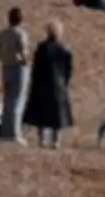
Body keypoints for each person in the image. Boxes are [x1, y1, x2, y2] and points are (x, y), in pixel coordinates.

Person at [23, 19, 73, 148]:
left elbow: (36, 67)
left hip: (42, 83)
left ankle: (42, 139)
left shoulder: (42, 48)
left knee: (42, 114)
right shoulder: (64, 49)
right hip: (59, 85)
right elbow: (68, 70)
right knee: (57, 115)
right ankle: (56, 141)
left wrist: (33, 81)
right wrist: (66, 83)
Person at [0, 7, 30, 144]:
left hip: (5, 67)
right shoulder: (20, 34)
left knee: (8, 100)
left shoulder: (2, 33)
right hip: (17, 68)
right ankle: (14, 133)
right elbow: (24, 52)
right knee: (17, 100)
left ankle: (5, 131)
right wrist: (25, 62)